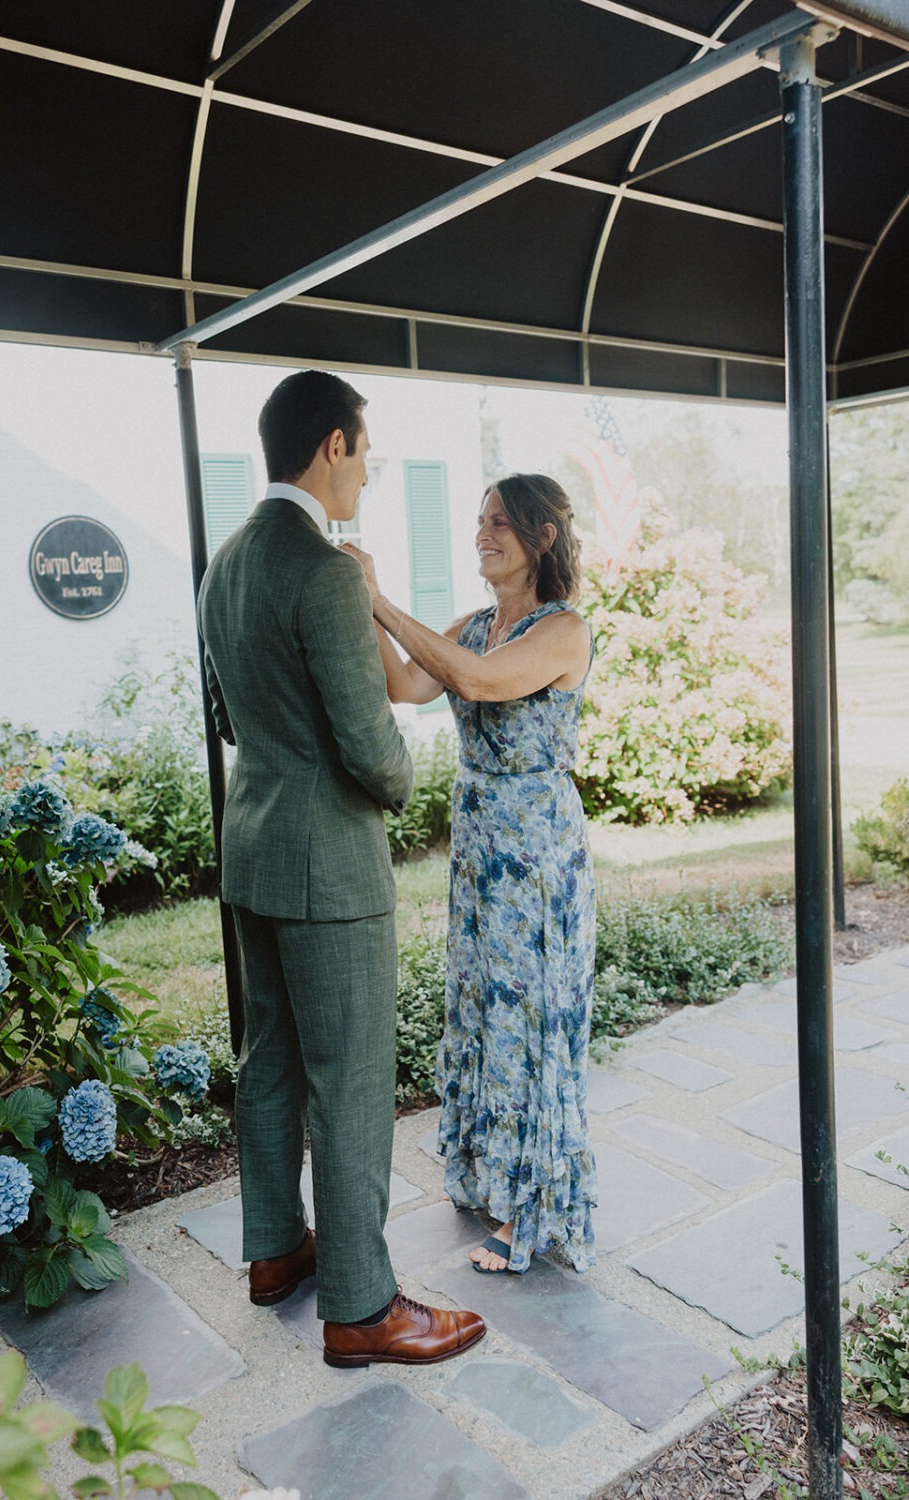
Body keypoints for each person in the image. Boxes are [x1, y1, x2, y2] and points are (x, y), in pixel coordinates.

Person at [197, 369, 485, 1366]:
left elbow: (231, 720)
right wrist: (402, 779)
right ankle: (361, 1306)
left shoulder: (224, 564)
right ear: (331, 446)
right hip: (328, 865)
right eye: (365, 450)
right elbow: (374, 756)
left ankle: (274, 1252)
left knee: (270, 1058)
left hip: (253, 848)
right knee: (353, 1077)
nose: (368, 470)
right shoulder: (322, 573)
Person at [342, 473, 597, 1275]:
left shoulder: (565, 631)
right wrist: (364, 609)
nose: (481, 535)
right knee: (484, 1016)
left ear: (540, 537)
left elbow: (478, 682)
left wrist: (380, 599)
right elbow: (408, 682)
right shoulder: (478, 623)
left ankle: (535, 1210)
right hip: (482, 855)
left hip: (539, 861)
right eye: (479, 522)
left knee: (530, 1028)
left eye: (498, 525)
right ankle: (490, 1174)